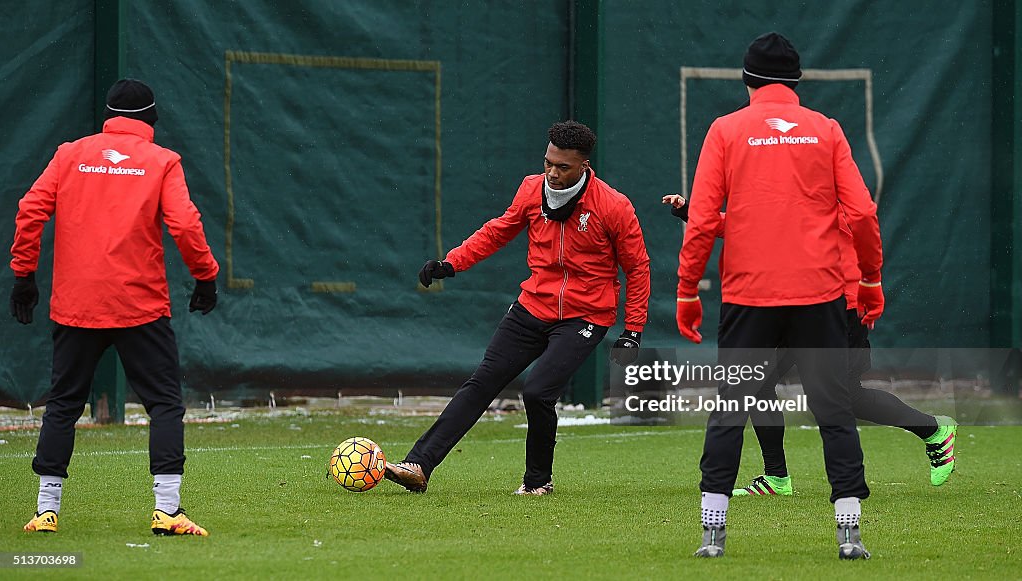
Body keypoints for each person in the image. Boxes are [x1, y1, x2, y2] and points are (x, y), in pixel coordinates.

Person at [674, 33, 884, 560]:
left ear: (747, 80)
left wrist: (686, 291)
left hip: (749, 296)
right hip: (819, 295)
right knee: (834, 410)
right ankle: (849, 535)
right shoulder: (826, 129)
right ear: (796, 82)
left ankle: (712, 535)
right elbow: (861, 213)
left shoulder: (724, 130)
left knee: (732, 407)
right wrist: (871, 280)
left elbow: (701, 221)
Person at [384, 120, 650, 495]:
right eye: (548, 163)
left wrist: (633, 330)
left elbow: (637, 268)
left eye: (563, 167)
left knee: (538, 392)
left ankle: (538, 482)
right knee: (482, 383)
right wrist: (451, 263)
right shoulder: (530, 189)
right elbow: (498, 231)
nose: (552, 173)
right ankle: (419, 464)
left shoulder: (614, 206)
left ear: (584, 167)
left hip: (586, 316)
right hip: (532, 306)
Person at [10, 79, 219, 536]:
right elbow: (184, 223)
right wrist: (205, 275)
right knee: (164, 404)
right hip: (139, 304)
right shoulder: (163, 161)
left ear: (108, 117)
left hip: (76, 304)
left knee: (63, 405)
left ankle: (46, 512)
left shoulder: (70, 154)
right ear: (149, 120)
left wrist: (24, 274)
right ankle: (167, 511)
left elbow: (30, 209)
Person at [664, 194, 956, 497]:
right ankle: (776, 477)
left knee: (846, 396)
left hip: (839, 308)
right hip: (797, 305)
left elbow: (854, 231)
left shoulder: (825, 193)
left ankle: (933, 430)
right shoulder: (785, 194)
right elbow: (744, 228)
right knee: (755, 381)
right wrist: (691, 212)